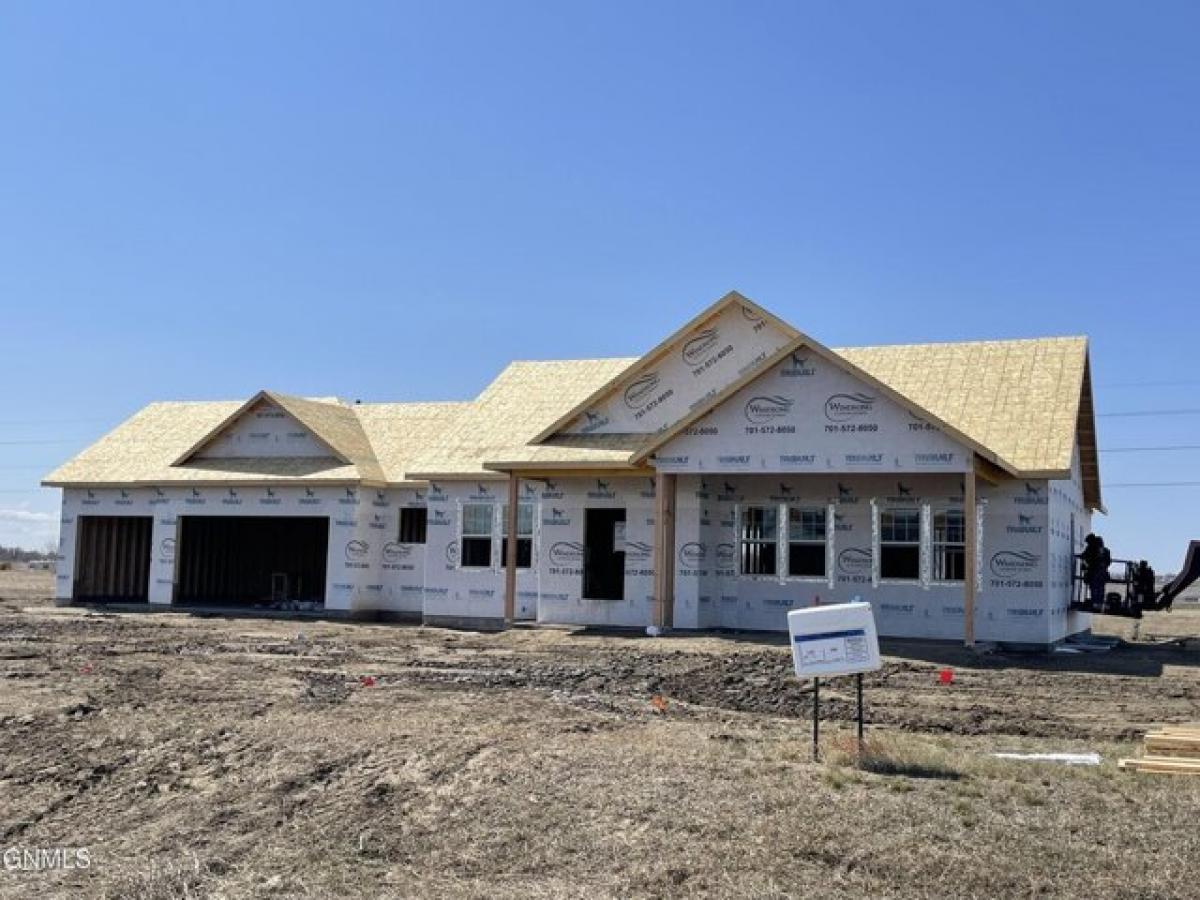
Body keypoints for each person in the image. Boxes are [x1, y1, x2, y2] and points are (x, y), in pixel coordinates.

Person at [1080, 533, 1111, 610]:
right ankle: (1099, 604)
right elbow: (1108, 562)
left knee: (1094, 588)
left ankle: (1095, 604)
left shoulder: (1091, 548)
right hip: (1102, 572)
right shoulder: (1106, 550)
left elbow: (1085, 556)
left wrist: (1087, 566)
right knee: (1101, 588)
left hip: (1093, 572)